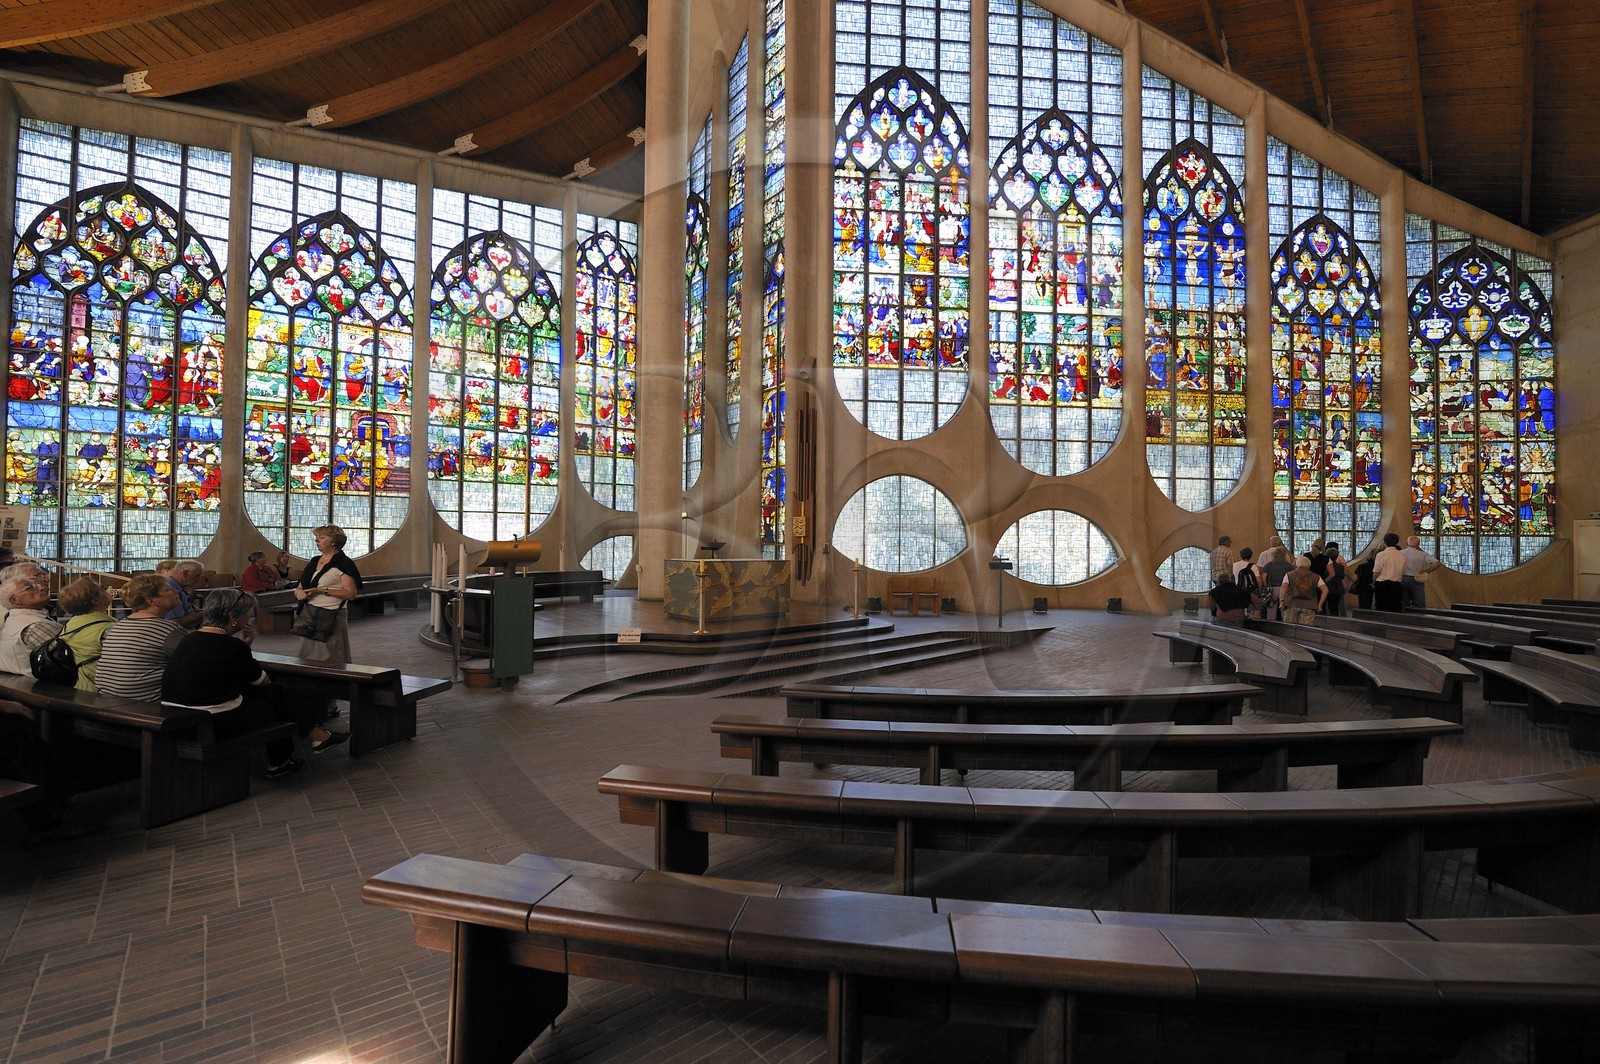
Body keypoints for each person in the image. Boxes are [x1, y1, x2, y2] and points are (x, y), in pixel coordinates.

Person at [162, 589, 333, 780]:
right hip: (211, 718)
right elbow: (261, 680)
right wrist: (244, 647)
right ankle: (281, 761)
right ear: (233, 617)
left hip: (178, 712)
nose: (251, 616)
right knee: (275, 706)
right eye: (249, 611)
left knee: (275, 693)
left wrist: (245, 646)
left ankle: (317, 737)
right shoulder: (230, 645)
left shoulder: (189, 638)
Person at [95, 573, 186, 701]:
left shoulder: (118, 625)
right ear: (151, 600)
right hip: (145, 703)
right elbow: (193, 664)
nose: (175, 591)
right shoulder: (167, 629)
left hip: (107, 699)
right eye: (168, 589)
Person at [56, 576, 116, 692]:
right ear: (95, 600)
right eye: (102, 588)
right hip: (103, 691)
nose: (106, 590)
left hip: (81, 686)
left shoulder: (70, 625)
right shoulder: (106, 629)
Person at [0, 574, 61, 675]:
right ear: (15, 600)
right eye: (30, 587)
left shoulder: (14, 619)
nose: (42, 587)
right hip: (46, 687)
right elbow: (74, 655)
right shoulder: (34, 626)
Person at [1278, 555, 1327, 625]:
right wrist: (1319, 605)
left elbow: (1283, 587)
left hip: (1291, 605)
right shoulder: (1316, 576)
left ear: (1297, 564)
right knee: (1305, 630)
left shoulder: (1289, 575)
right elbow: (1325, 590)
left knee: (1289, 628)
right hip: (1309, 606)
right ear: (1309, 565)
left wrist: (1282, 601)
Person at [1401, 535, 1442, 610]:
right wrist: (1426, 571)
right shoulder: (1422, 554)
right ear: (1418, 544)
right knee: (1419, 605)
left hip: (1402, 579)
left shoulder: (1400, 553)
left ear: (1407, 543)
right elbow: (1437, 563)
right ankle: (1418, 620)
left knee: (1403, 604)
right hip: (1417, 579)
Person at [164, 559, 205, 628]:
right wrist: (205, 613)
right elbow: (174, 622)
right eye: (197, 576)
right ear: (185, 574)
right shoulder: (170, 589)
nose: (198, 579)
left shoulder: (179, 586)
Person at [1372, 532, 1407, 612]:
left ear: (1384, 542)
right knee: (1395, 608)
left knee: (1382, 608)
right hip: (1397, 585)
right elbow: (1403, 571)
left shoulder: (1381, 555)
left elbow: (1376, 572)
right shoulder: (1402, 555)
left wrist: (1374, 582)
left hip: (1382, 585)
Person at [1259, 546, 1295, 620]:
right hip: (1285, 590)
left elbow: (1264, 577)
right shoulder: (1289, 566)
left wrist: (1266, 587)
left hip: (1272, 589)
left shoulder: (1269, 565)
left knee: (1271, 612)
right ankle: (1286, 626)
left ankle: (1270, 627)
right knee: (1284, 611)